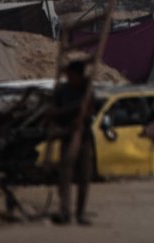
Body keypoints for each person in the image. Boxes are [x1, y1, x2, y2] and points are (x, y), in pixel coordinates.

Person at [49, 60, 96, 225]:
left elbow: (90, 109)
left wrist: (81, 118)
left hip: (83, 138)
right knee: (65, 177)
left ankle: (80, 213)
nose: (70, 77)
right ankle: (65, 212)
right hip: (67, 137)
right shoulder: (62, 91)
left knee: (84, 178)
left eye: (73, 75)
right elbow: (53, 112)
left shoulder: (87, 91)